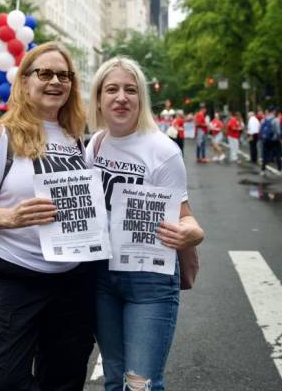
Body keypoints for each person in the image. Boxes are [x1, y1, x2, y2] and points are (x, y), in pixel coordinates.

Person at [0, 42, 95, 391]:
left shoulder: (76, 139)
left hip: (70, 282)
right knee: (4, 380)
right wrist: (11, 217)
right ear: (24, 81)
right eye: (45, 73)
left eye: (64, 75)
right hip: (13, 279)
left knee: (65, 379)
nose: (55, 81)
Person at [86, 57, 204, 391]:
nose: (121, 97)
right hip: (102, 276)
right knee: (113, 377)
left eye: (130, 90)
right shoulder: (94, 145)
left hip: (150, 280)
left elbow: (185, 216)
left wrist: (193, 233)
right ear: (98, 98)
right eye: (112, 89)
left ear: (141, 99)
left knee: (140, 384)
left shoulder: (162, 150)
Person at [260, 106, 282, 174]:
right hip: (274, 140)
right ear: (273, 111)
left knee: (265, 155)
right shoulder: (276, 120)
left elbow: (261, 130)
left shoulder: (263, 119)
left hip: (266, 139)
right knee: (278, 154)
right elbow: (278, 131)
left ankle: (263, 169)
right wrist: (280, 138)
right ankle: (279, 169)